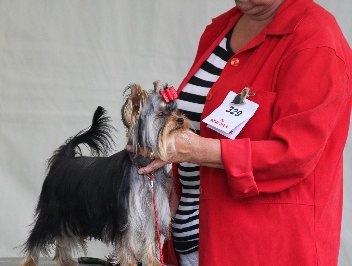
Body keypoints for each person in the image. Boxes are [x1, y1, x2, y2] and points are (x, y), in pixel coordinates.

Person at [132, 0, 352, 265]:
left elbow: (295, 154)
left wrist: (193, 150)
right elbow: (200, 123)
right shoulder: (220, 29)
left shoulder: (317, 38)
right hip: (191, 240)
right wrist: (174, 182)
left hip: (264, 249)